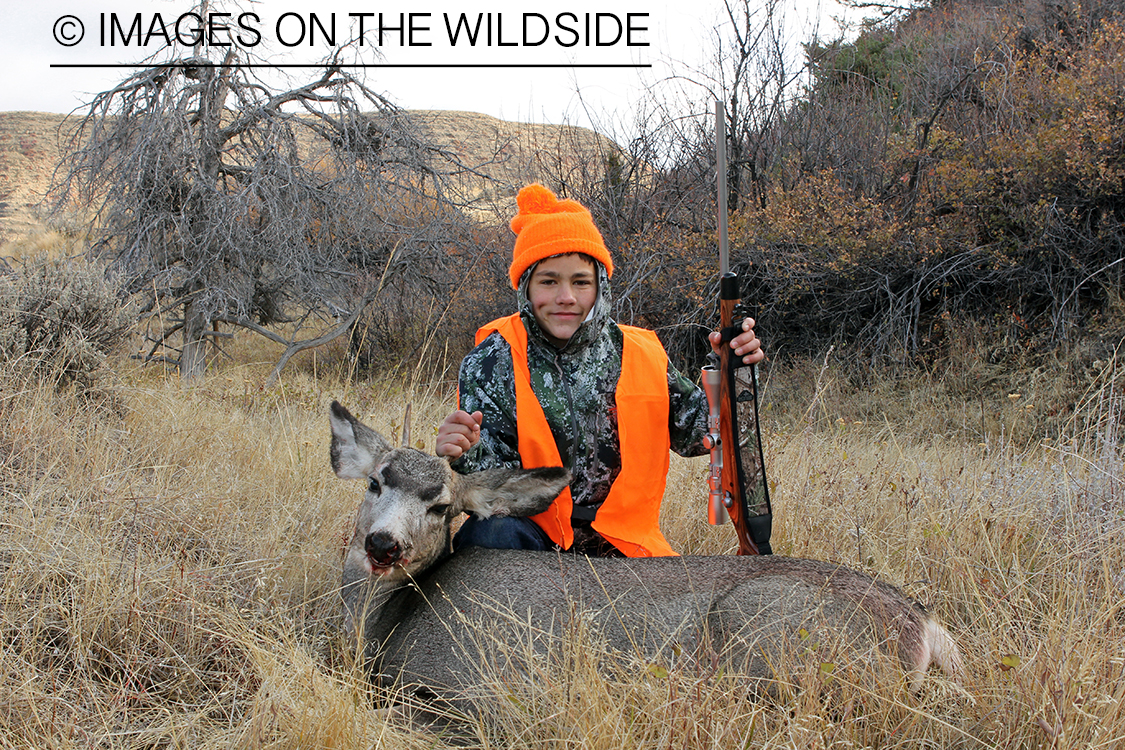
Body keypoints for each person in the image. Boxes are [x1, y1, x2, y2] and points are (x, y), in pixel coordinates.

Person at [436, 183, 763, 558]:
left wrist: (732, 372)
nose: (566, 298)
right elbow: (490, 489)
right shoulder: (491, 361)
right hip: (535, 538)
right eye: (548, 281)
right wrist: (464, 452)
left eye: (580, 282)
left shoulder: (640, 353)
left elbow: (701, 434)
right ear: (525, 287)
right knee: (491, 534)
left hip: (626, 544)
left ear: (600, 286)